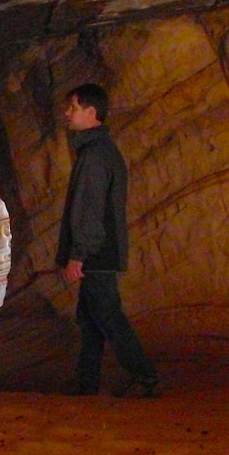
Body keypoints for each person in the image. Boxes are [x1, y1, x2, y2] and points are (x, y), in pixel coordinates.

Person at [56, 83, 160, 397]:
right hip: (102, 249)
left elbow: (89, 209)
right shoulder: (100, 151)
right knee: (90, 319)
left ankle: (145, 377)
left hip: (97, 252)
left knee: (107, 316)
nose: (67, 113)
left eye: (73, 107)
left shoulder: (94, 156)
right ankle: (87, 383)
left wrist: (79, 254)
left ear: (91, 112)